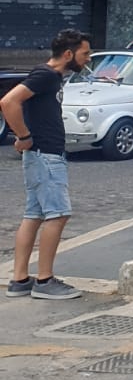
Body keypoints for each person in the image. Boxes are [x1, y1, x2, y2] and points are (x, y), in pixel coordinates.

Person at [2, 28, 92, 299]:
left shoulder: (51, 77)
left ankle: (20, 280)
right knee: (58, 214)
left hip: (41, 153)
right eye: (85, 53)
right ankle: (44, 280)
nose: (88, 58)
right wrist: (24, 136)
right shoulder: (46, 75)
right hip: (45, 154)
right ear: (68, 54)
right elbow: (8, 102)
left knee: (34, 214)